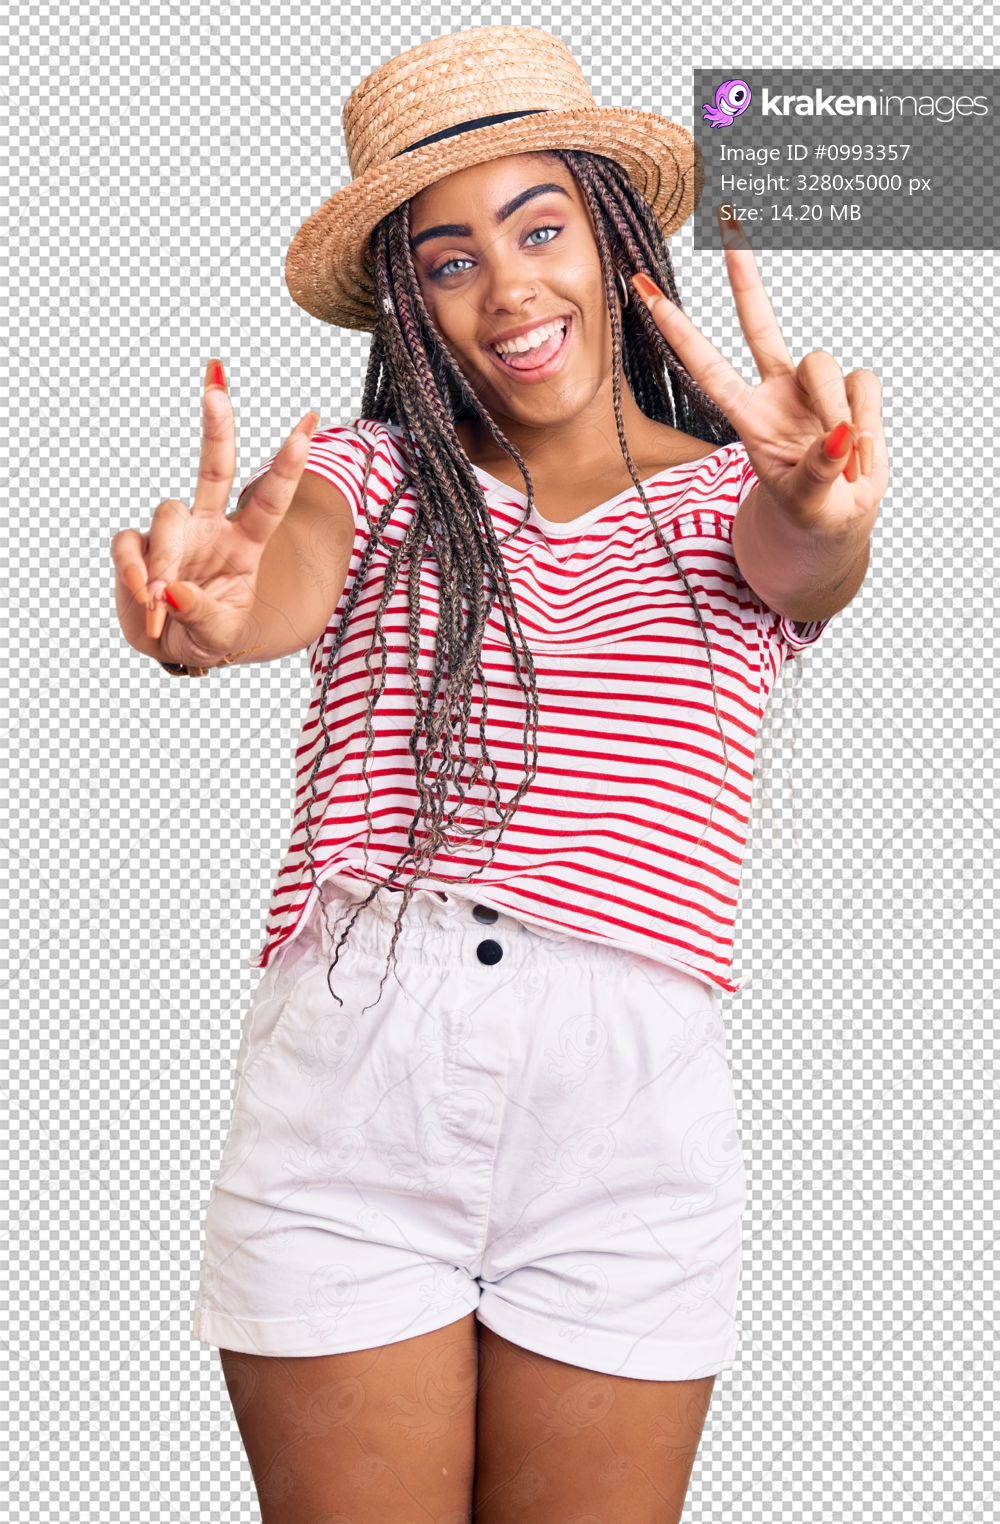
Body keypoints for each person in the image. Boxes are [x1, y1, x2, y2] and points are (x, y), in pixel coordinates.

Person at [111, 25, 887, 1524]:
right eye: (450, 258)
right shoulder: (370, 475)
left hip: (626, 1108)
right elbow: (265, 594)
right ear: (408, 306)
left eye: (541, 230)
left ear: (613, 241)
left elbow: (807, 560)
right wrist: (203, 619)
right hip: (355, 1087)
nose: (511, 286)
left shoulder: (744, 489)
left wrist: (823, 504)